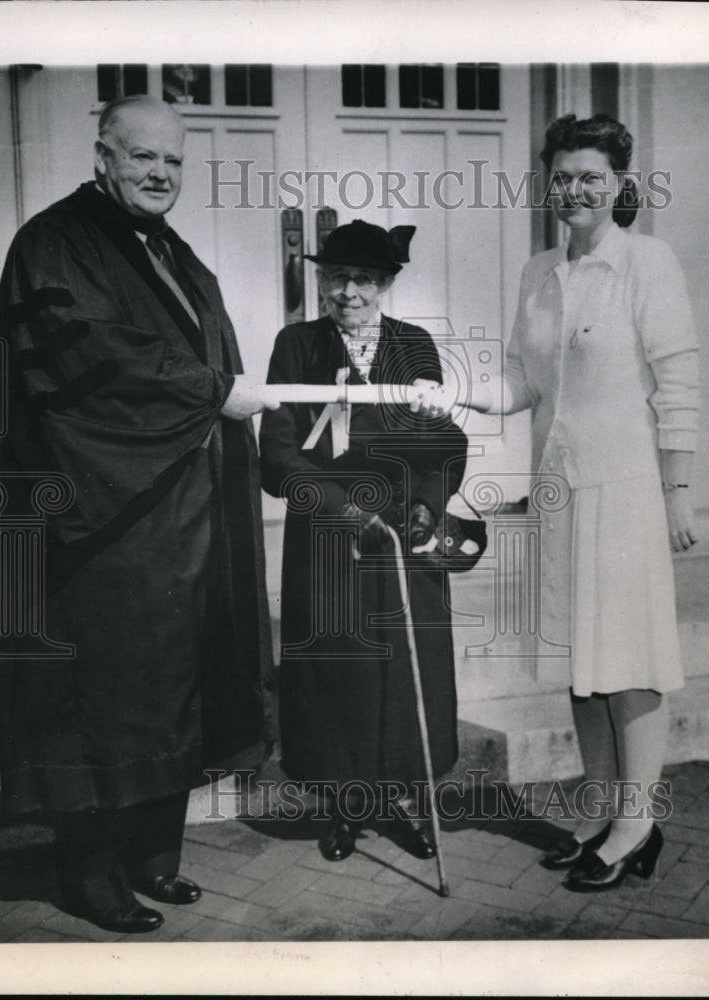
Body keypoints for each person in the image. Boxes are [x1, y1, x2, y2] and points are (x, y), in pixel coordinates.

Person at [0, 95, 279, 932]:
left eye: (174, 161)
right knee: (107, 693)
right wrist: (212, 392)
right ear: (103, 157)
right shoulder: (55, 244)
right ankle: (88, 872)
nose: (160, 173)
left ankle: (155, 857)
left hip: (182, 513)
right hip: (105, 518)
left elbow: (202, 353)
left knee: (176, 681)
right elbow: (98, 356)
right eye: (142, 156)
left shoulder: (173, 253)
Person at [415, 113, 700, 891]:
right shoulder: (537, 272)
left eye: (590, 177)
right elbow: (524, 382)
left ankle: (639, 824)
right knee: (580, 663)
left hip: (630, 488)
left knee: (629, 661)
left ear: (617, 184)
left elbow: (678, 383)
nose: (574, 189)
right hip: (561, 493)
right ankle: (603, 814)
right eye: (563, 176)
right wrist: (457, 395)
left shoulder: (647, 262)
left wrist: (678, 492)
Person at [259, 220, 469, 863]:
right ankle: (344, 803)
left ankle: (405, 798)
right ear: (320, 281)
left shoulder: (415, 346)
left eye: (363, 280)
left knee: (408, 671)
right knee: (337, 668)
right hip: (328, 532)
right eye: (336, 278)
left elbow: (442, 445)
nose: (348, 292)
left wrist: (428, 509)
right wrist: (345, 511)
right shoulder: (296, 344)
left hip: (404, 530)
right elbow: (277, 457)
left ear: (385, 285)